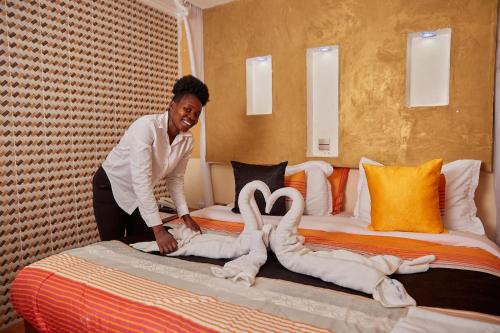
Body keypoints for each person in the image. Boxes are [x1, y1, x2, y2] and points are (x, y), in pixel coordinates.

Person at [92, 75, 209, 254]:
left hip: (139, 192)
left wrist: (185, 216)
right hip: (111, 186)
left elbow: (175, 179)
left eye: (196, 114)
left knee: (144, 243)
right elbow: (141, 180)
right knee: (113, 248)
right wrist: (159, 229)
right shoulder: (146, 127)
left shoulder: (187, 141)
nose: (191, 117)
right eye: (187, 109)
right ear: (172, 105)